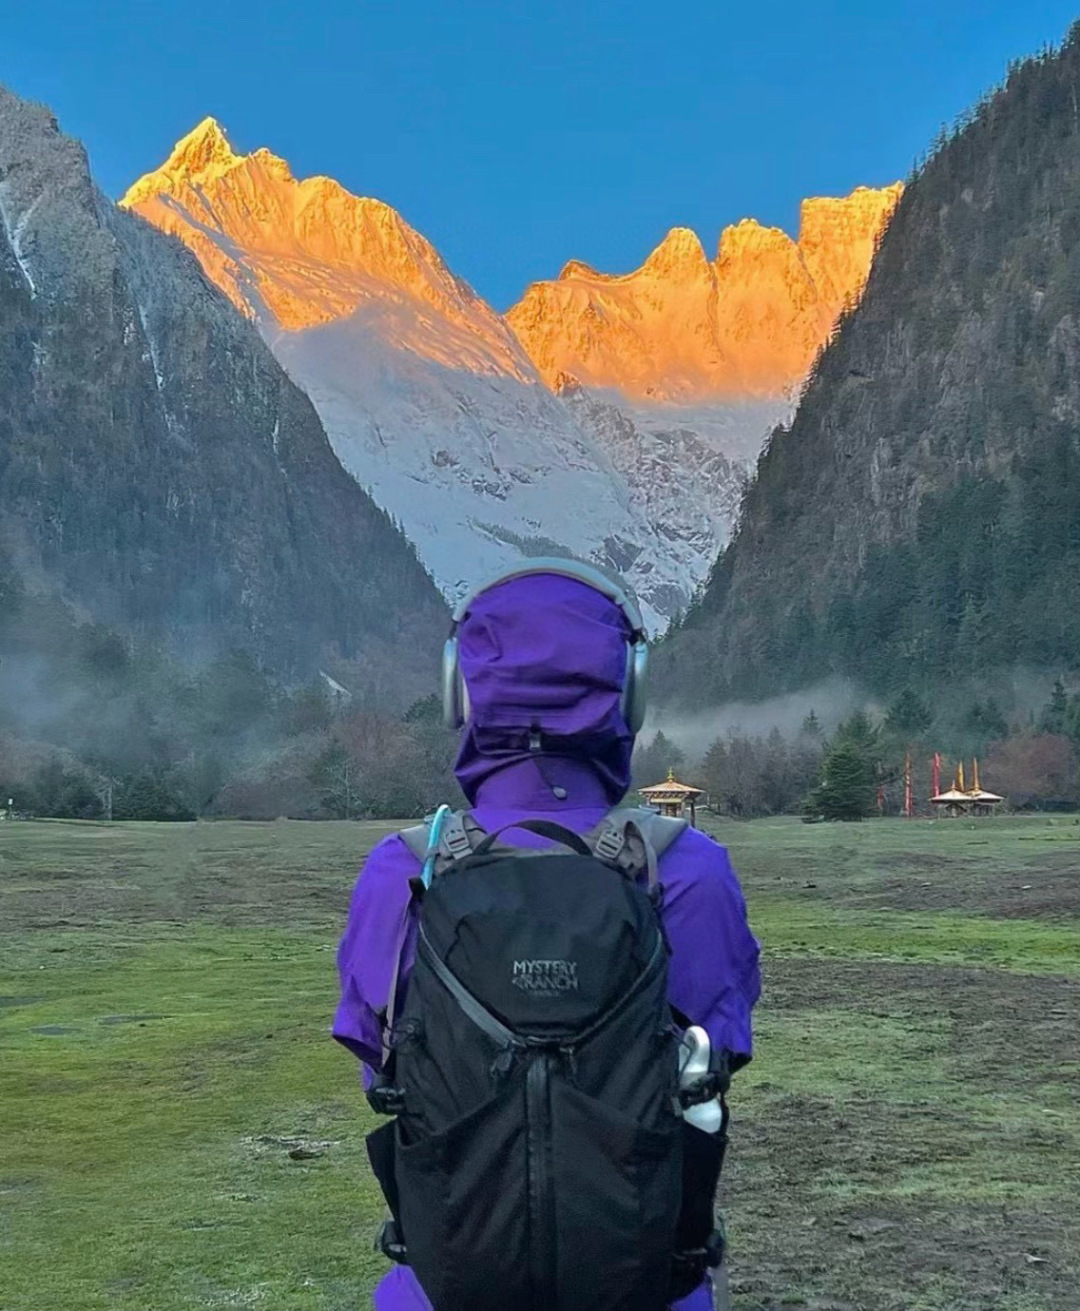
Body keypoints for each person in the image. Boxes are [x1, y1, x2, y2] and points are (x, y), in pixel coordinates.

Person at [334, 562, 761, 1311]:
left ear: (459, 694)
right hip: (648, 1286)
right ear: (629, 693)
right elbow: (713, 1063)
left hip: (444, 1288)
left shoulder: (402, 871)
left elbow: (383, 1067)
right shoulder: (688, 869)